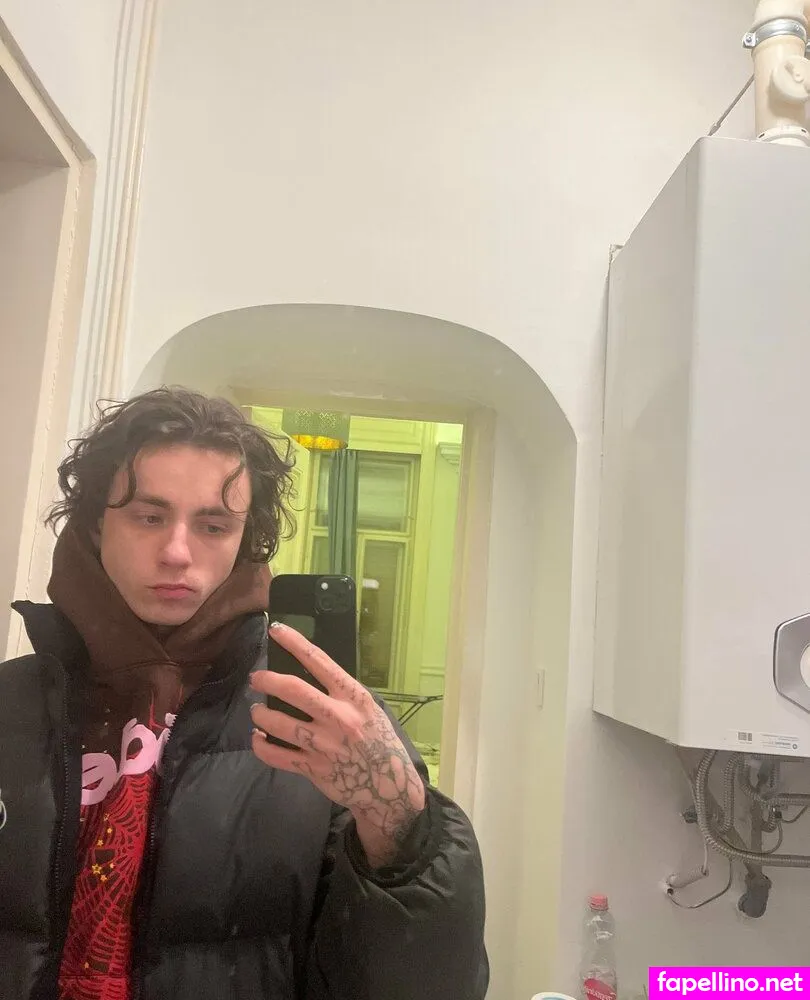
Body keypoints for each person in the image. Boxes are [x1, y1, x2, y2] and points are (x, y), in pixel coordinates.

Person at [0, 387, 488, 1000]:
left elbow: (425, 986)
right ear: (98, 523)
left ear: (244, 540)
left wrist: (398, 822)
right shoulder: (10, 705)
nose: (177, 553)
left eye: (213, 525)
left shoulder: (321, 720)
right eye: (149, 517)